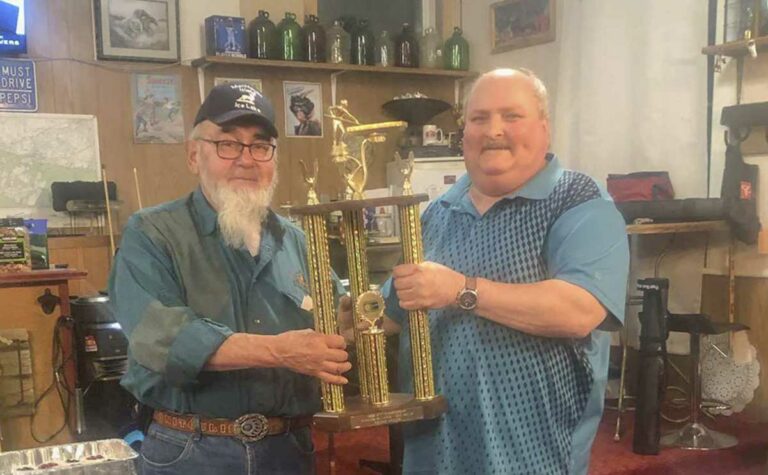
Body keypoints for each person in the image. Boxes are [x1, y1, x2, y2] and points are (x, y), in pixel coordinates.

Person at [373, 68, 630, 474]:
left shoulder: (579, 201)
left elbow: (579, 311)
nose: (493, 130)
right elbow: (393, 308)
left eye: (512, 116)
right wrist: (350, 314)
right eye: (478, 119)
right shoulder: (436, 213)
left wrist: (460, 290)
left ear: (544, 129)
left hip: (534, 456)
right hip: (433, 453)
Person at [109, 83, 351, 475]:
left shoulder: (299, 242)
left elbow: (339, 325)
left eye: (260, 145)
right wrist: (280, 350)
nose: (246, 159)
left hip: (289, 451)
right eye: (227, 144)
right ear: (193, 155)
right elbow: (163, 339)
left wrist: (389, 303)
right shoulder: (153, 233)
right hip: (190, 452)